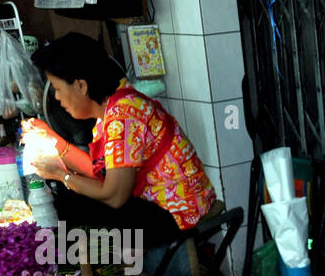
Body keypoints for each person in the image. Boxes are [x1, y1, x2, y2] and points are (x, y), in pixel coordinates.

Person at [24, 32, 218, 252]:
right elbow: (97, 171)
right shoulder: (114, 107)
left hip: (177, 213)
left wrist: (60, 175)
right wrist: (52, 140)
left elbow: (114, 196)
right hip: (163, 207)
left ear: (81, 86)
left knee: (73, 206)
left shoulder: (124, 116)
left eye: (58, 89)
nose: (57, 98)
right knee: (74, 200)